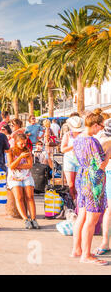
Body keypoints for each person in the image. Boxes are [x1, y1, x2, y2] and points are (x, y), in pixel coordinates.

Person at [71, 112, 109, 265]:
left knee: (82, 215)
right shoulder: (92, 141)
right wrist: (109, 151)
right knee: (92, 219)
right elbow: (101, 164)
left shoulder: (77, 139)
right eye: (100, 126)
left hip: (82, 177)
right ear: (95, 125)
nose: (101, 129)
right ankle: (86, 254)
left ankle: (77, 249)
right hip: (93, 181)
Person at [7, 133, 39, 229]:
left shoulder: (27, 150)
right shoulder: (11, 151)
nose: (23, 145)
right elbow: (11, 166)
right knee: (19, 197)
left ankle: (34, 219)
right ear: (16, 142)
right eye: (21, 143)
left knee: (30, 196)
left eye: (25, 143)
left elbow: (29, 165)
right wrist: (20, 157)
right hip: (14, 177)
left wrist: (17, 165)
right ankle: (25, 219)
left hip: (26, 176)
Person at [95, 118, 111, 256]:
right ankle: (105, 242)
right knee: (109, 210)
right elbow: (101, 165)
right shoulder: (106, 144)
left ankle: (105, 242)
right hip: (109, 174)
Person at [60, 116, 84, 200]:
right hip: (69, 160)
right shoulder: (67, 135)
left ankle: (78, 202)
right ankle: (73, 201)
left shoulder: (83, 135)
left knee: (78, 184)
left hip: (80, 160)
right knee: (71, 184)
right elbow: (62, 149)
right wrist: (73, 146)